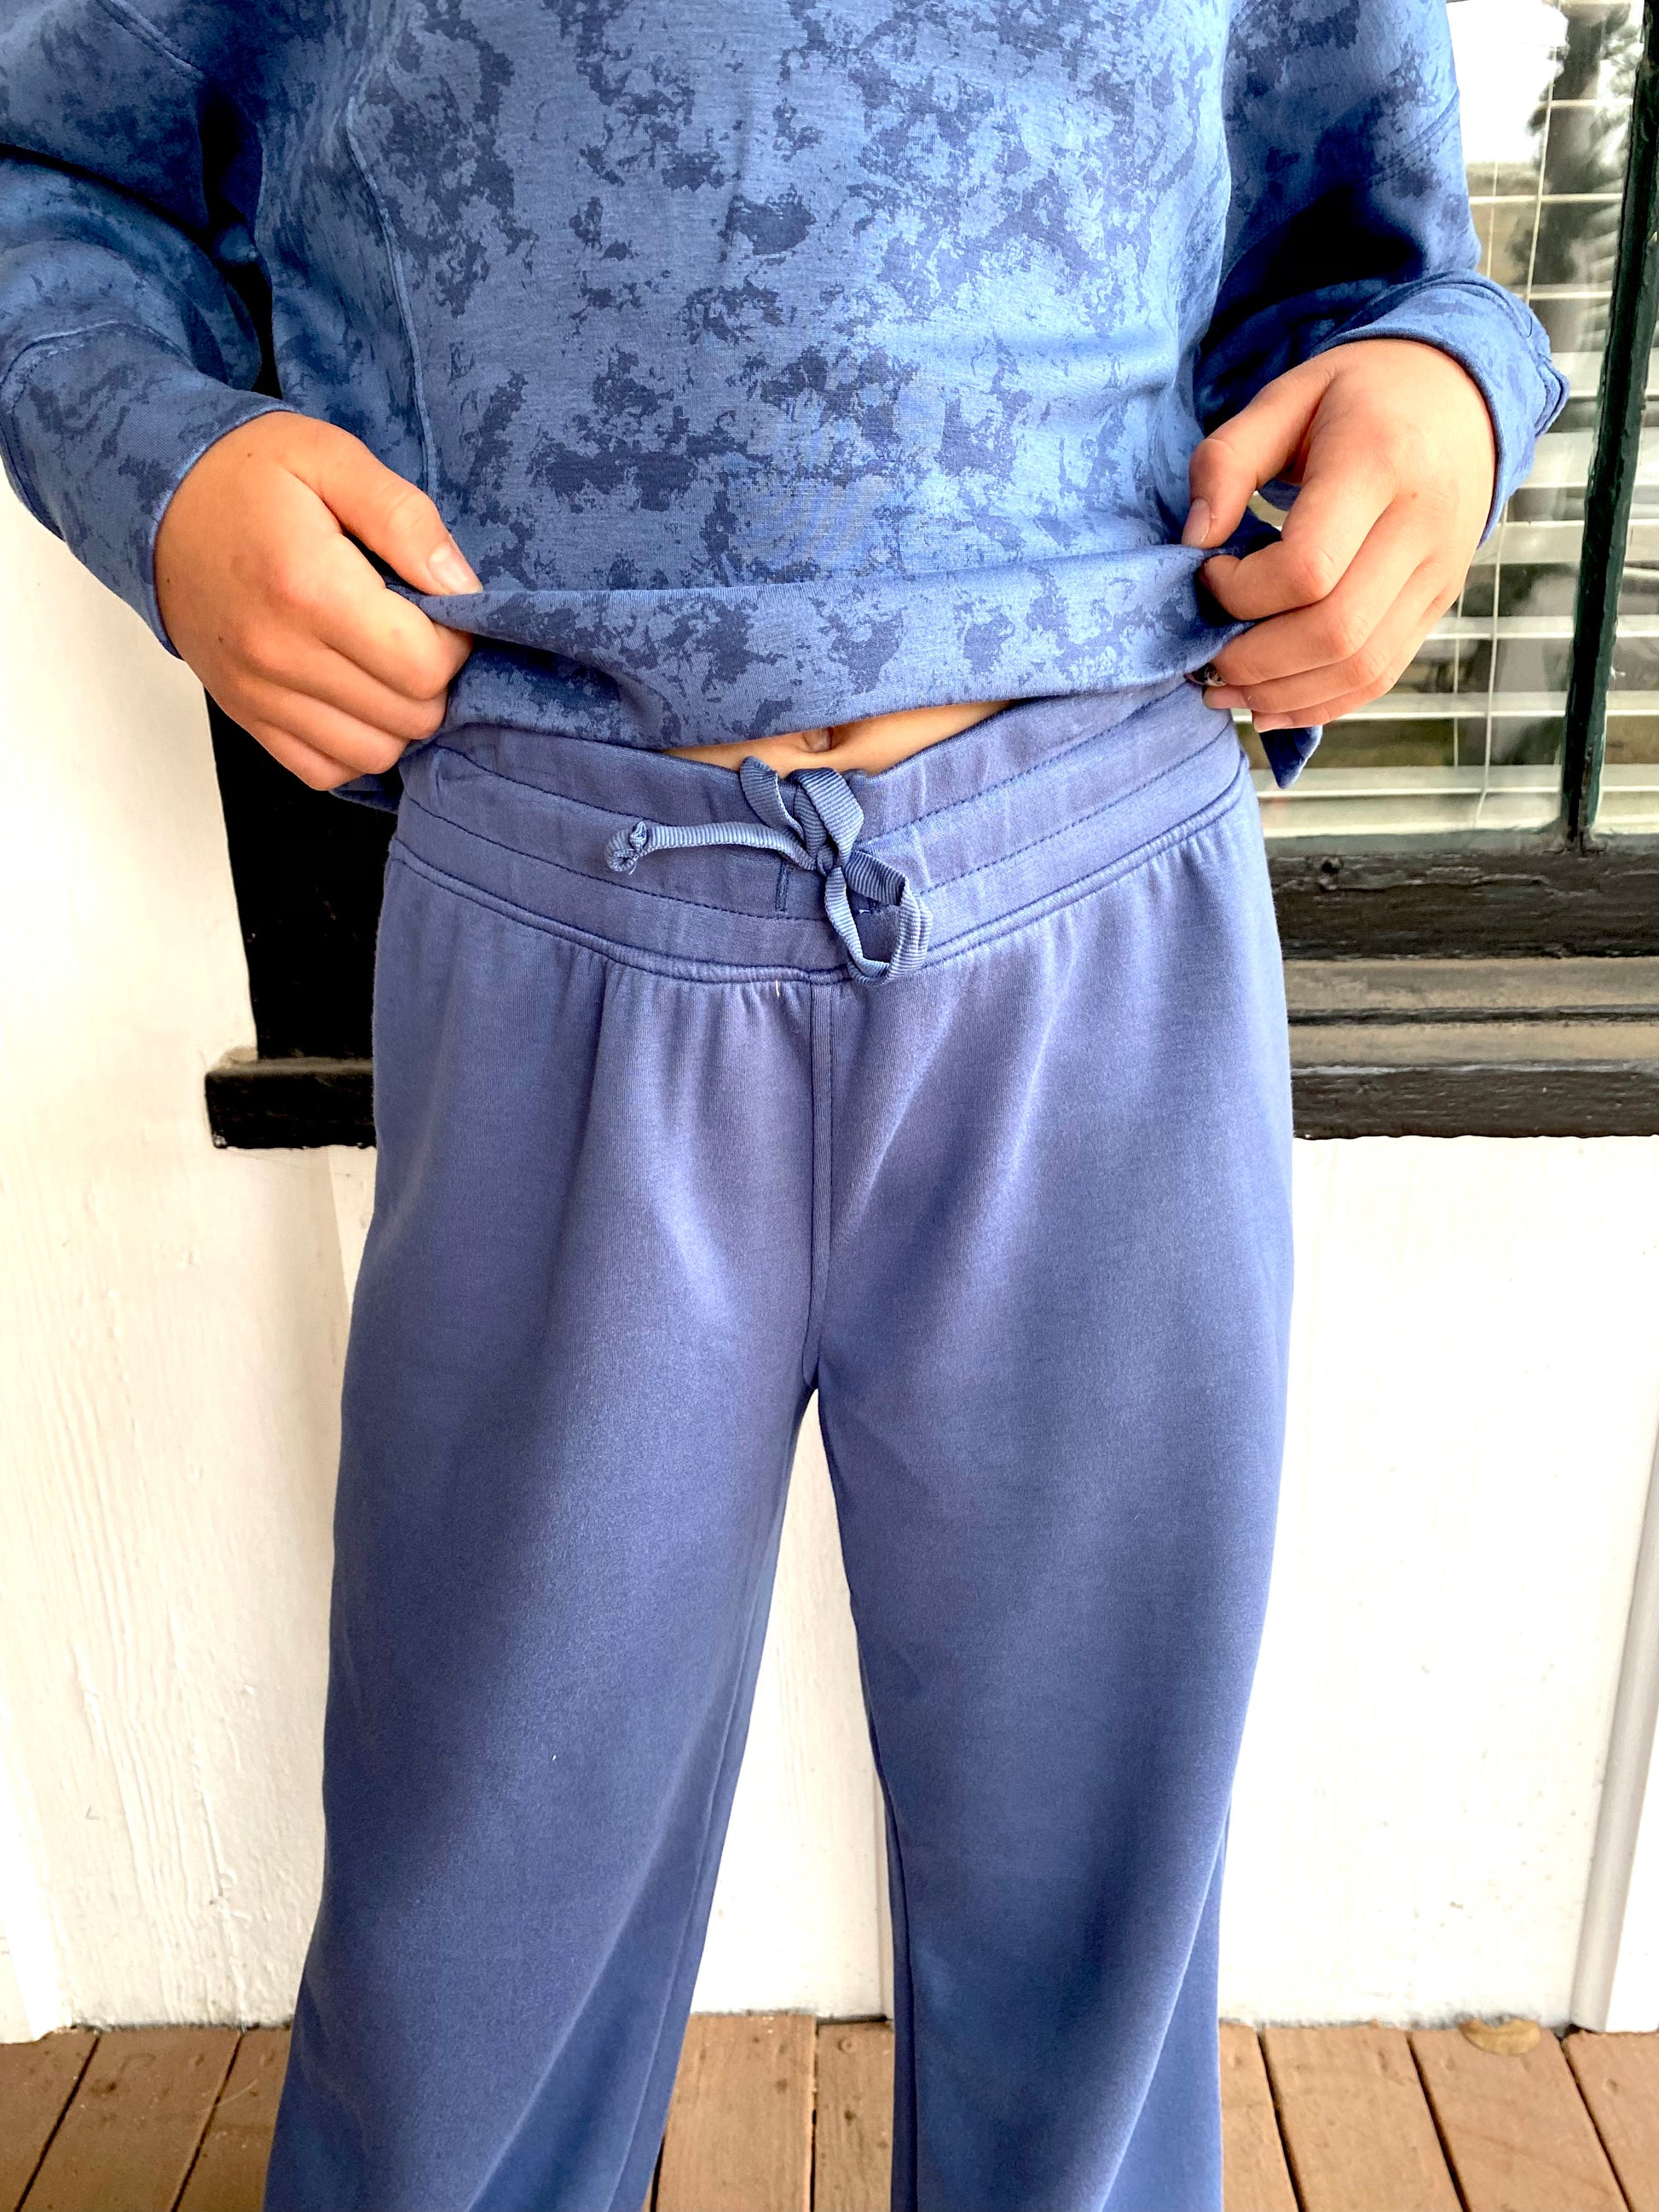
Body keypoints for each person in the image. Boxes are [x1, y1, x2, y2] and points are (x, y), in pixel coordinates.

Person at [0, 3, 1565, 2206]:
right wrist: (162, 464)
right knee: (475, 1908)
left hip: (1093, 891)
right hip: (563, 900)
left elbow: (1358, 235)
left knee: (1097, 1910)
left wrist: (1449, 384)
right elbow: (49, 172)